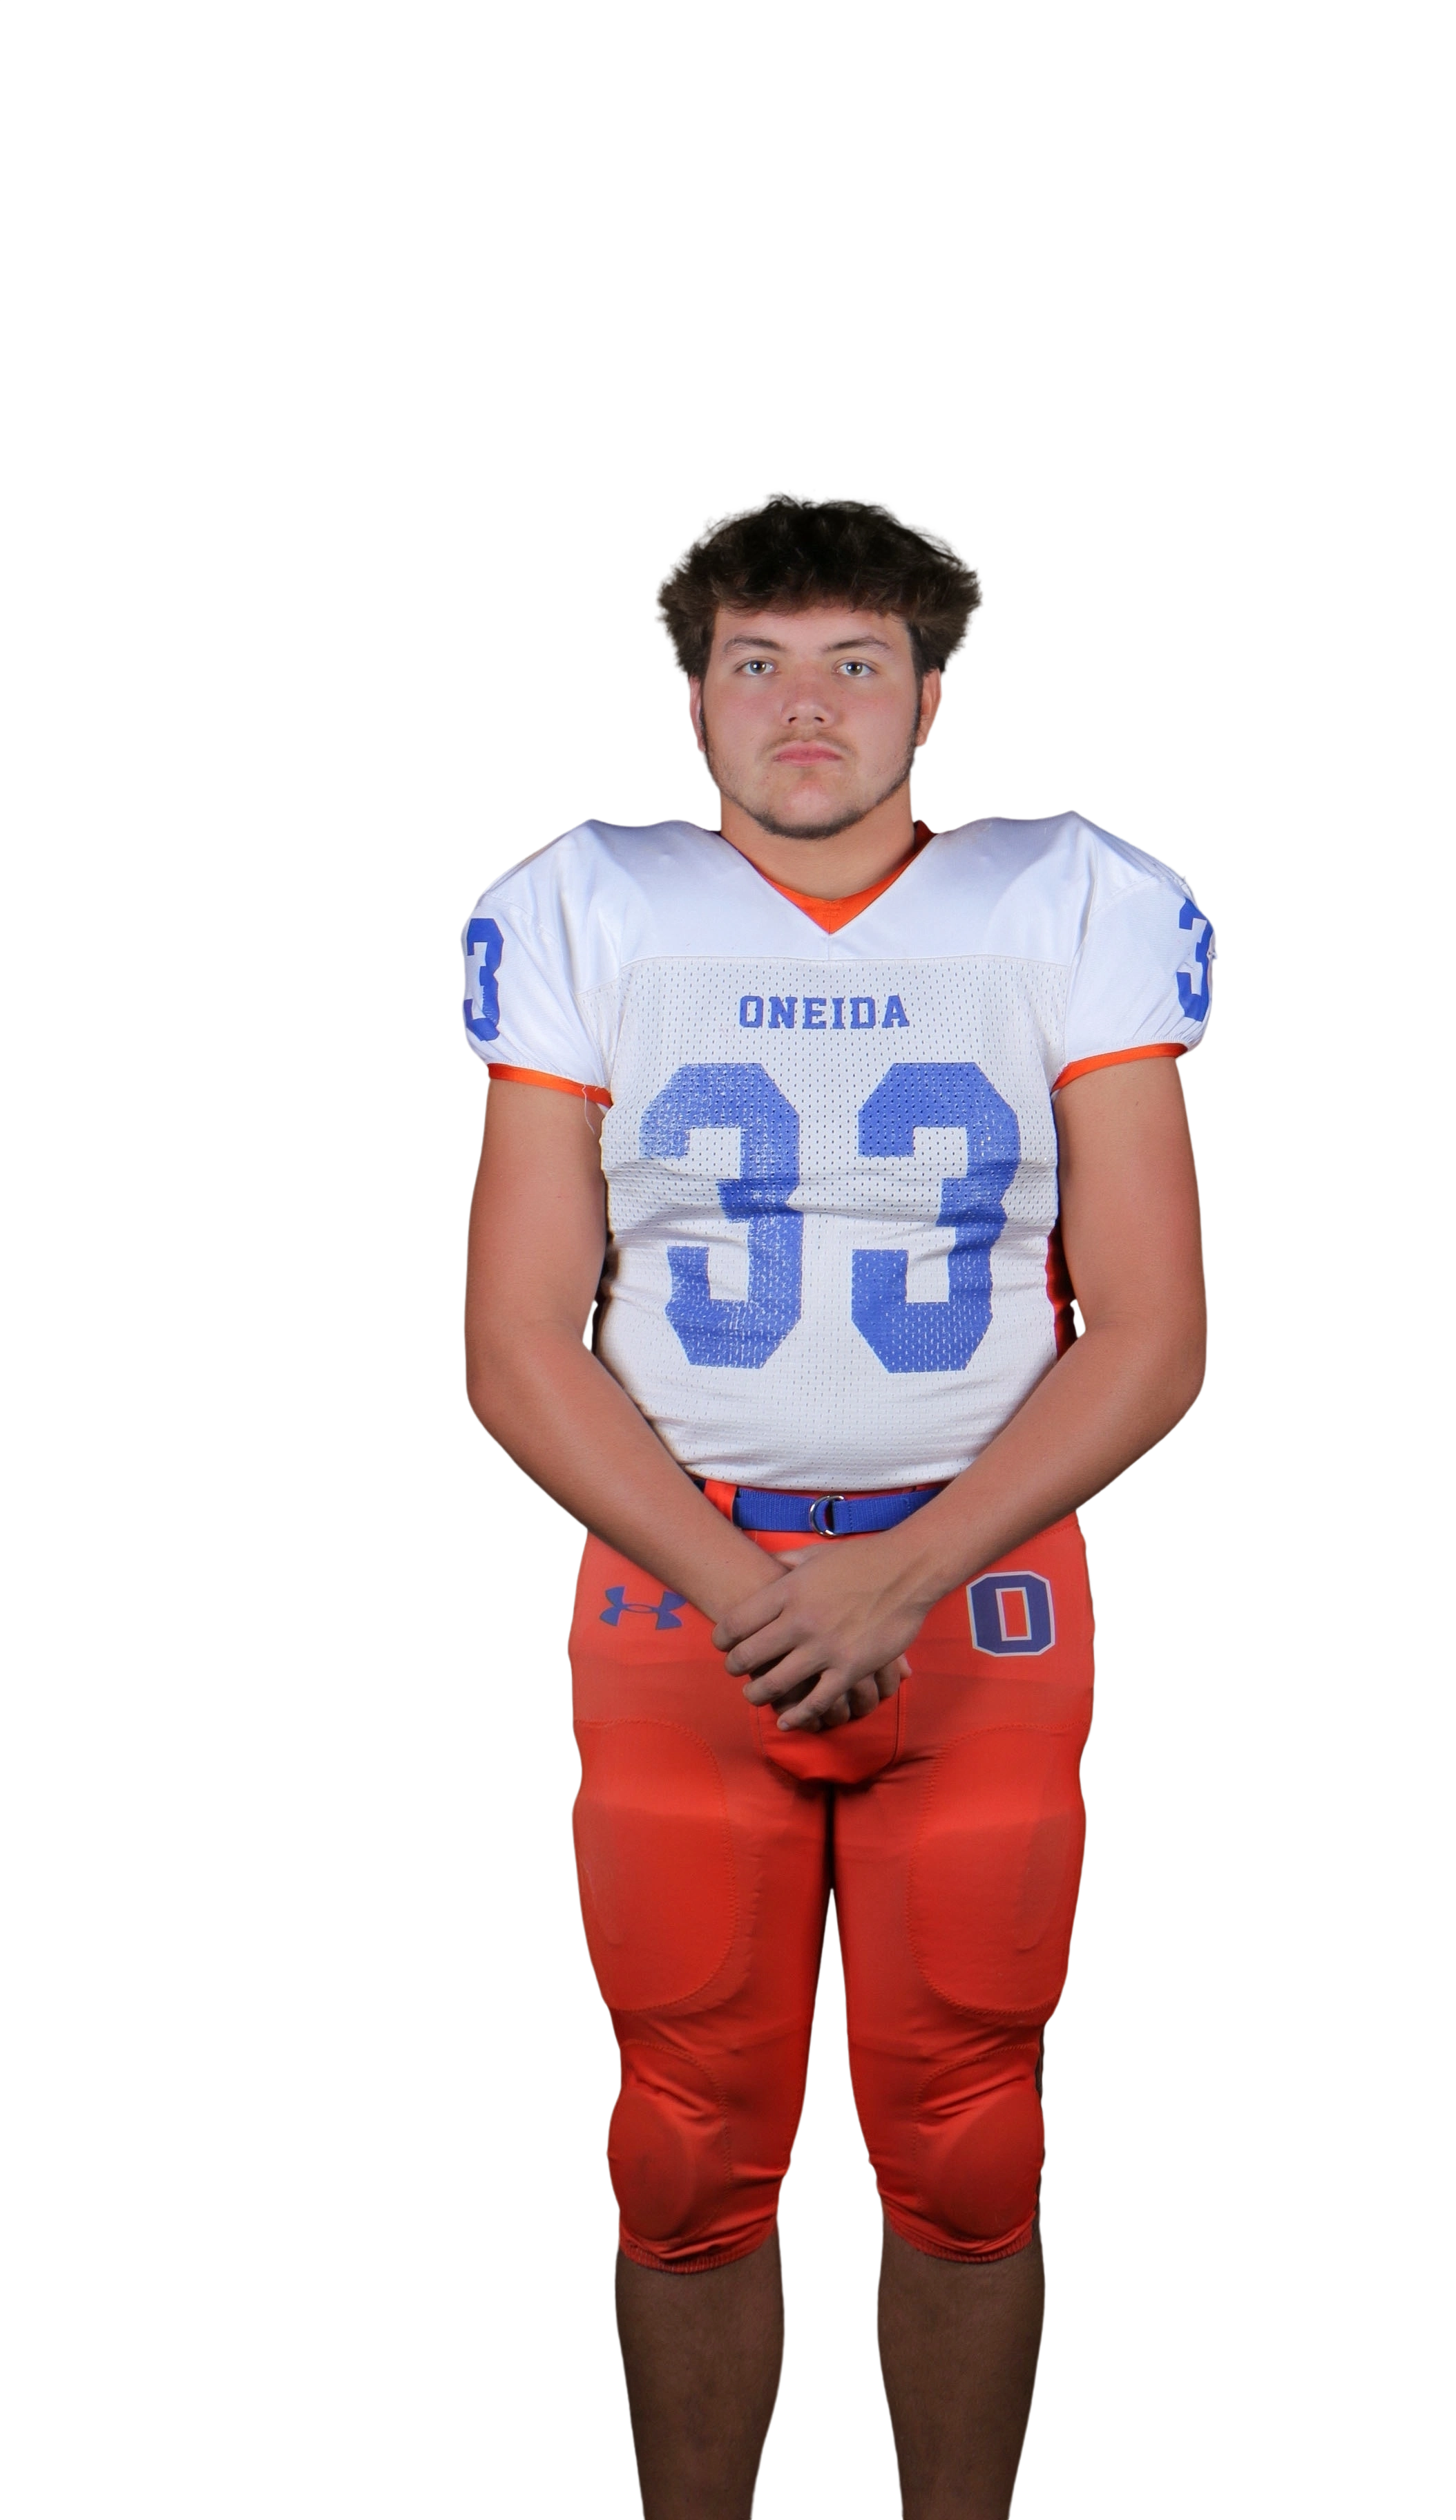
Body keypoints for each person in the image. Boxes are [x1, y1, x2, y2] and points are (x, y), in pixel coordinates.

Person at [458, 486, 1216, 2519]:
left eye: (858, 662)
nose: (809, 705)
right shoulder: (588, 902)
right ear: (694, 706)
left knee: (970, 2136)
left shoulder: (1071, 898)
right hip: (676, 1582)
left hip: (978, 1582)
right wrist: (747, 1585)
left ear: (932, 700)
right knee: (682, 2144)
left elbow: (1155, 1333)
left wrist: (904, 1570)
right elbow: (516, 1341)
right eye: (761, 662)